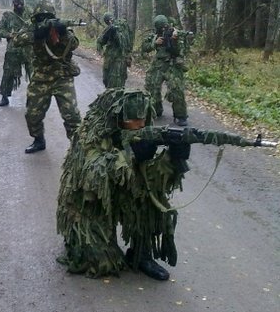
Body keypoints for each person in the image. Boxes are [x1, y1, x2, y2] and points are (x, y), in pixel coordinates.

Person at [56, 88, 184, 281]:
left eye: (143, 120)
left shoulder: (142, 131)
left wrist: (174, 157)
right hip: (90, 205)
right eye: (132, 121)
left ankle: (141, 253)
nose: (139, 125)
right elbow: (93, 178)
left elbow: (152, 179)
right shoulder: (91, 133)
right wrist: (131, 155)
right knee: (104, 263)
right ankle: (80, 243)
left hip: (119, 191)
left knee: (149, 197)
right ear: (116, 118)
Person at [13, 0, 82, 153]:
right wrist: (38, 33)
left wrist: (62, 32)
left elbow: (75, 43)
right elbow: (17, 40)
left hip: (62, 76)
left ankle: (79, 148)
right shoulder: (32, 28)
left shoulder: (60, 27)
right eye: (40, 17)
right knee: (32, 114)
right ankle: (38, 140)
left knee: (71, 115)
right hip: (41, 77)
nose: (44, 19)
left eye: (47, 17)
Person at [141, 15, 189, 126]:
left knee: (176, 89)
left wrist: (175, 40)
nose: (163, 29)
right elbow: (144, 47)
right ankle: (156, 109)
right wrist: (154, 43)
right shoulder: (154, 35)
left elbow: (183, 50)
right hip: (158, 64)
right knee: (151, 86)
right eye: (160, 27)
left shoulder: (174, 33)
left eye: (164, 27)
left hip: (173, 64)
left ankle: (180, 115)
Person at [0, 0, 34, 107]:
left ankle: (34, 97)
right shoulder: (8, 16)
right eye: (17, 4)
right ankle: (4, 96)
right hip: (13, 49)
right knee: (8, 72)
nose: (19, 6)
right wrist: (9, 34)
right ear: (13, 4)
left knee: (34, 73)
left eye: (21, 4)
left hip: (29, 49)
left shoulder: (31, 14)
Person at [96, 12, 132, 88]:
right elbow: (100, 41)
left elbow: (100, 42)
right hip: (115, 61)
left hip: (115, 62)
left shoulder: (116, 28)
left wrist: (101, 52)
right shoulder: (113, 28)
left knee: (113, 85)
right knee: (112, 83)